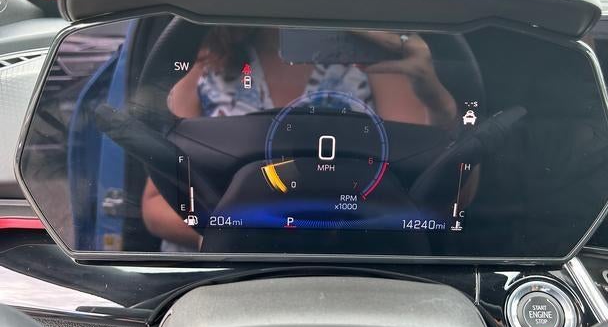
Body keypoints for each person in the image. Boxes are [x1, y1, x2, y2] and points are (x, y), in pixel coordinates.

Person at [141, 28, 459, 251]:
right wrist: (224, 242)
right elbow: (156, 203)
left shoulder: (379, 63)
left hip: (353, 266)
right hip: (218, 278)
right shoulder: (205, 65)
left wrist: (438, 103)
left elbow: (435, 189)